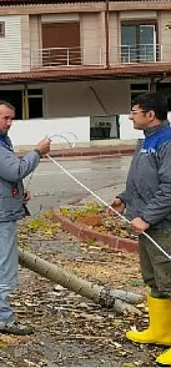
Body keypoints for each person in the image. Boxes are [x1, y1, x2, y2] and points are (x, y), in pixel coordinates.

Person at [0, 100, 51, 335]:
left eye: (11, 119)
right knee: (2, 265)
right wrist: (37, 152)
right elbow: (15, 169)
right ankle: (2, 317)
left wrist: (15, 192)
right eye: (5, 118)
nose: (9, 123)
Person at [108, 92, 171, 366]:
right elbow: (143, 182)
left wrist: (146, 217)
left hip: (164, 225)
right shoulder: (147, 142)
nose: (131, 116)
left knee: (170, 281)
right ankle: (161, 331)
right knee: (153, 279)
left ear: (150, 114)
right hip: (148, 225)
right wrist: (125, 198)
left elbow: (170, 188)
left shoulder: (167, 142)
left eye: (134, 111)